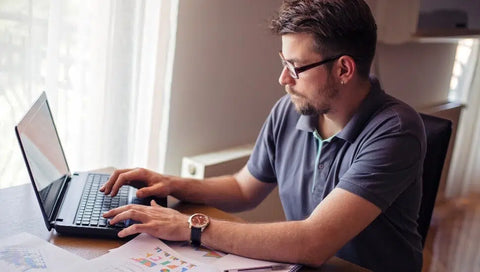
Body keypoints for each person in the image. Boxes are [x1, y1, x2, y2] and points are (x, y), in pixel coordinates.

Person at [101, 0, 426, 271]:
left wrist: (189, 227)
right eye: (283, 61)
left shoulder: (396, 131)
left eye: (296, 67)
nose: (283, 78)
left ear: (343, 69)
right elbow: (244, 189)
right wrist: (172, 184)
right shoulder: (291, 109)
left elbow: (314, 242)